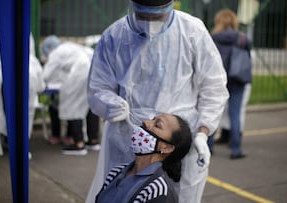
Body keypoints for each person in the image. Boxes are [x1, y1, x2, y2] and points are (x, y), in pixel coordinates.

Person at [86, 0, 229, 202]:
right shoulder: (115, 35)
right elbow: (97, 87)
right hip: (128, 136)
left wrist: (203, 132)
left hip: (179, 139)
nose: (150, 24)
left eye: (157, 17)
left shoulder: (192, 31)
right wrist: (110, 105)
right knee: (123, 191)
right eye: (144, 17)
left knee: (181, 194)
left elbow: (213, 86)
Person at [0, 34, 46, 159]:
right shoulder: (32, 61)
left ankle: (11, 143)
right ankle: (21, 148)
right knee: (25, 118)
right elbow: (41, 87)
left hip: (6, 86)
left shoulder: (3, 63)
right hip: (29, 85)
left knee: (10, 115)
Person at [96, 113, 192, 203]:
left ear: (166, 148)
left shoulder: (158, 191)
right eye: (152, 119)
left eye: (157, 125)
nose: (146, 122)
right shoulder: (115, 172)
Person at [40, 35, 100, 155]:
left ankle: (79, 144)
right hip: (95, 72)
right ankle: (93, 141)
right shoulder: (72, 47)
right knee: (91, 106)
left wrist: (41, 82)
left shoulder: (56, 53)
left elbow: (46, 75)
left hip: (80, 73)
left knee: (73, 106)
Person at [209, 9, 252, 159]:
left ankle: (209, 147)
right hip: (237, 79)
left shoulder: (213, 38)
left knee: (214, 112)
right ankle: (235, 149)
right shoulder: (243, 38)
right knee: (235, 114)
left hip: (218, 80)